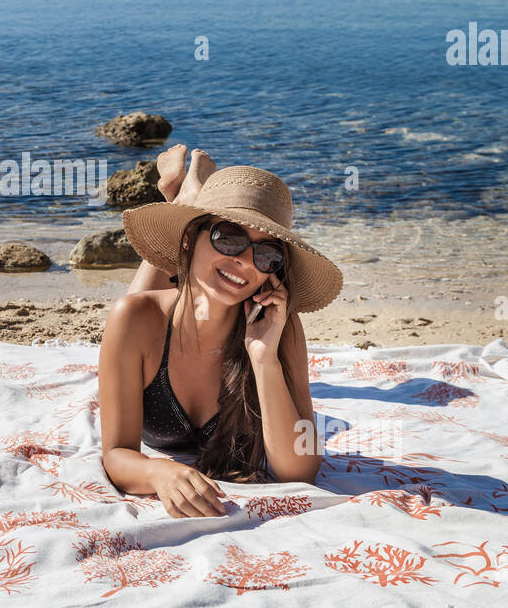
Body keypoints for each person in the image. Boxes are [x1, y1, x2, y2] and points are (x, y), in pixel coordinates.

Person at [98, 146, 344, 519]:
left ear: (275, 271)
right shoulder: (135, 320)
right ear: (189, 236)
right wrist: (158, 472)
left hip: (200, 299)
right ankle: (184, 198)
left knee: (167, 298)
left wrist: (263, 360)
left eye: (267, 254)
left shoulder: (281, 329)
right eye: (228, 237)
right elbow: (116, 454)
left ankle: (190, 198)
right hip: (156, 312)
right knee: (135, 306)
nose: (245, 261)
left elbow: (300, 471)